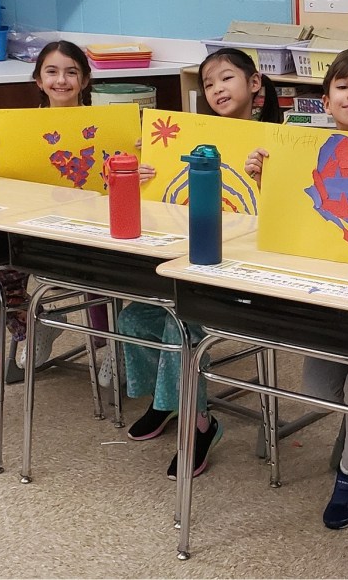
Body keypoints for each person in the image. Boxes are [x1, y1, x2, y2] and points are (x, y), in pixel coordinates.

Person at [245, 47, 348, 530]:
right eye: (343, 86)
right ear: (326, 102)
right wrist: (266, 179)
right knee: (316, 387)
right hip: (325, 293)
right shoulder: (303, 154)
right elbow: (290, 219)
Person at [117, 48, 281, 481]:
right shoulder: (192, 140)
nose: (217, 90)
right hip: (191, 261)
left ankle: (199, 423)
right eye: (208, 84)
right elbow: (167, 208)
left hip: (249, 274)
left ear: (255, 83)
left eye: (226, 79)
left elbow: (289, 217)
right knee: (133, 319)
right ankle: (166, 398)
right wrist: (146, 176)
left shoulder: (276, 142)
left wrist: (269, 177)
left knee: (180, 324)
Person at [0, 40, 154, 373]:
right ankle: (35, 325)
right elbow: (10, 184)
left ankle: (114, 344)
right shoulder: (18, 128)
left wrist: (144, 152)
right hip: (35, 227)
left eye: (72, 72)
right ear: (39, 81)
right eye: (52, 72)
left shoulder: (111, 124)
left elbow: (135, 177)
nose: (62, 80)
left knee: (104, 274)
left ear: (85, 80)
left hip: (97, 226)